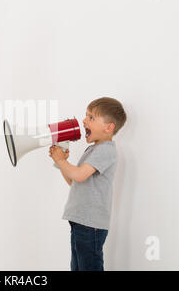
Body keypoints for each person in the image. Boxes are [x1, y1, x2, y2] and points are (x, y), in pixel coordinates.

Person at [49, 97, 127, 271]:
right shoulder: (93, 150)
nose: (84, 120)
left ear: (109, 128)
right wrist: (62, 161)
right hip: (80, 222)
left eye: (91, 118)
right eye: (86, 116)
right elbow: (74, 181)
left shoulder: (106, 150)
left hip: (90, 225)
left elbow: (79, 175)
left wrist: (62, 161)